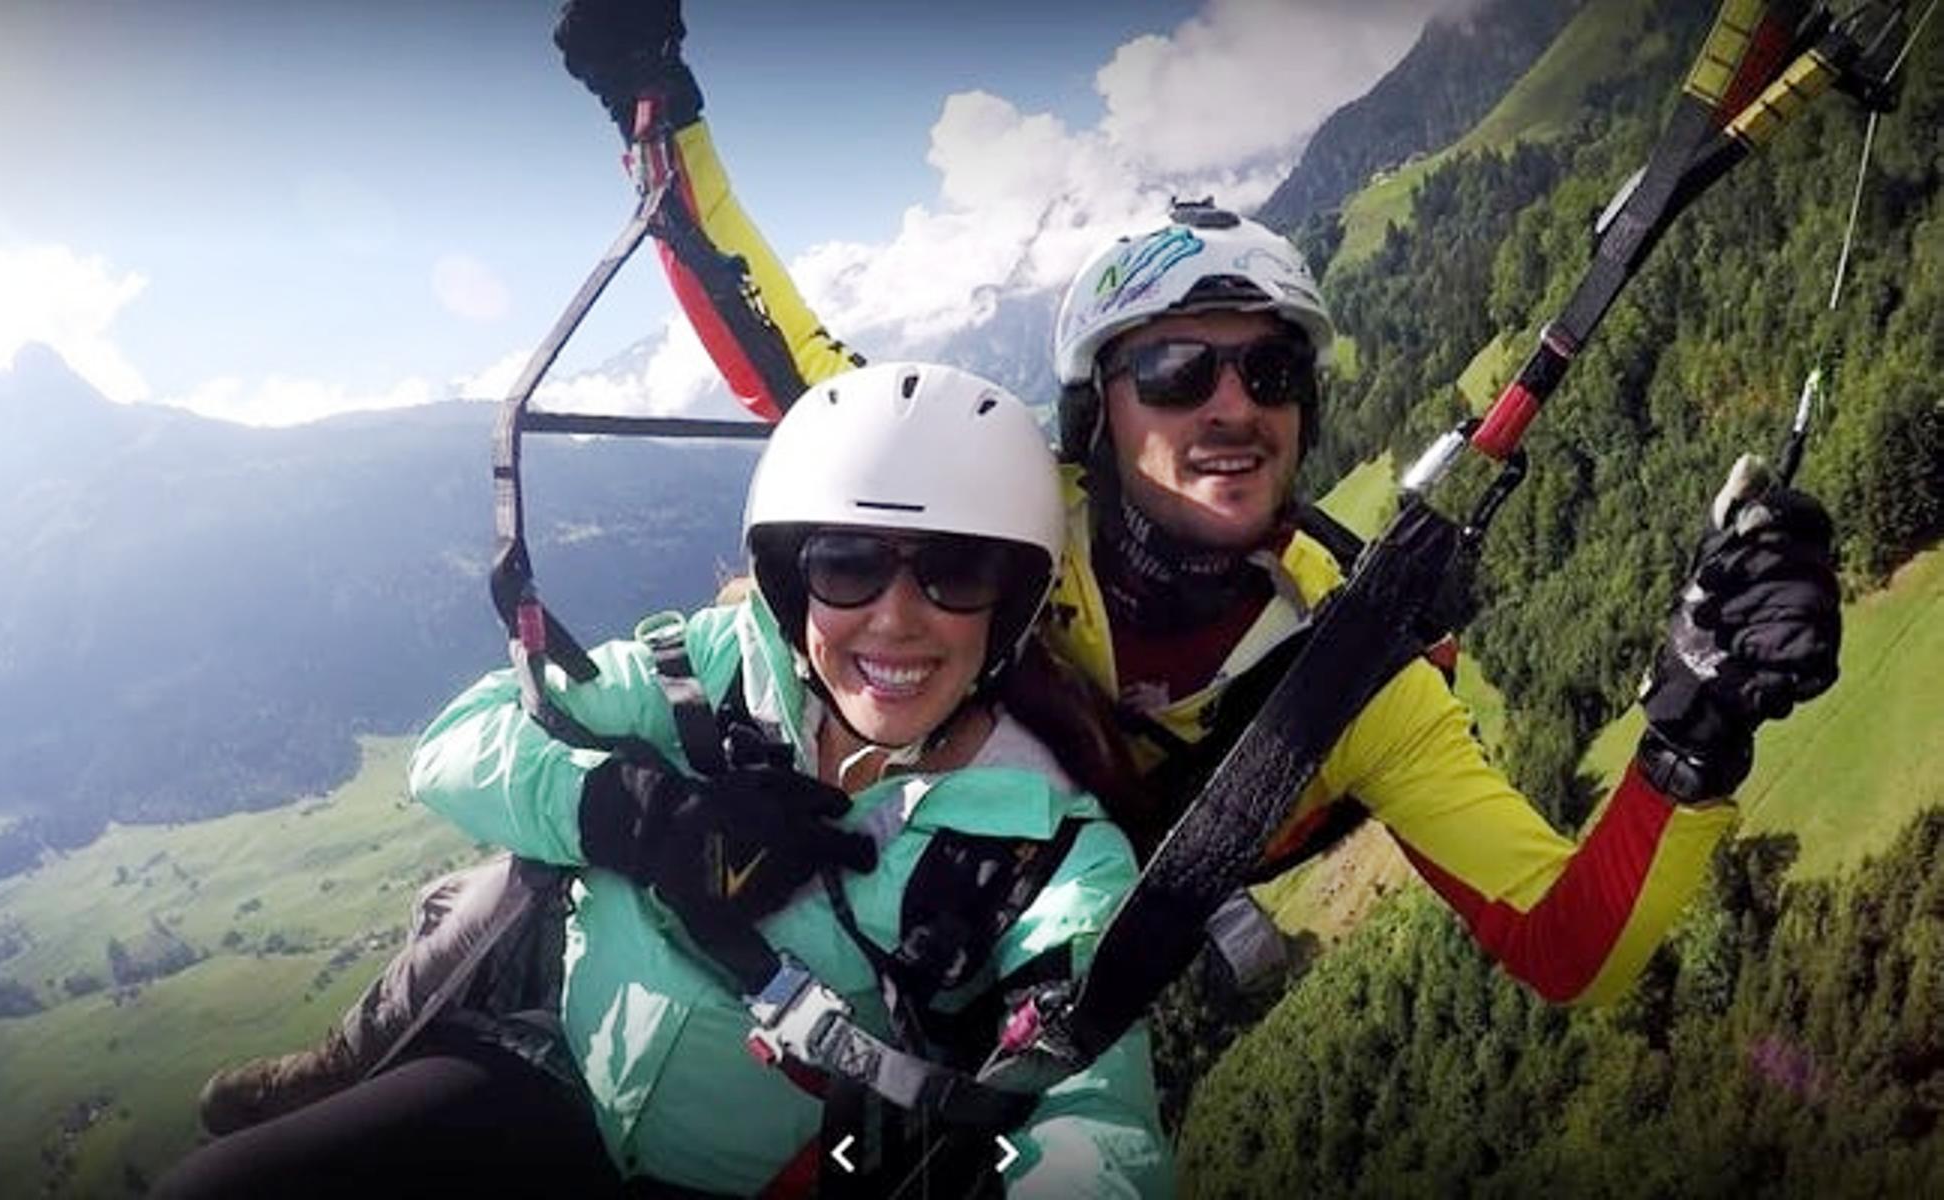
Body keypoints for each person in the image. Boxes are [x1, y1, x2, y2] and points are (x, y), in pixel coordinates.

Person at [552, 0, 1843, 1014]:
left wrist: (1694, 727)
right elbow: (786, 358)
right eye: (1174, 369)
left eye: (1267, 368)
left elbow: (1568, 945)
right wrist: (653, 101)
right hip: (730, 899)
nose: (1229, 404)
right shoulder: (1001, 505)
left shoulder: (1357, 681)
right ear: (1094, 415)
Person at [159, 362, 1172, 1198]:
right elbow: (458, 745)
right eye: (849, 563)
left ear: (1013, 600)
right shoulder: (714, 674)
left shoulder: (1049, 852)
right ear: (787, 579)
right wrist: (634, 816)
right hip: (558, 1083)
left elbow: (1089, 1115)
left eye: (957, 571)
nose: (896, 618)